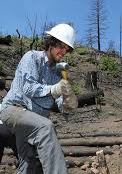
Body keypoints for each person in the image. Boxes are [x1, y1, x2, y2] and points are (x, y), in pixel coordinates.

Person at [0, 23, 77, 173]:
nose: (64, 52)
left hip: (31, 123)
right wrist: (54, 89)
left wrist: (68, 103)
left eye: (67, 50)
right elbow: (28, 88)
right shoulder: (32, 57)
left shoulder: (57, 74)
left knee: (29, 163)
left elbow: (62, 106)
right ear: (51, 42)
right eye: (61, 46)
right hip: (14, 110)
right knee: (46, 127)